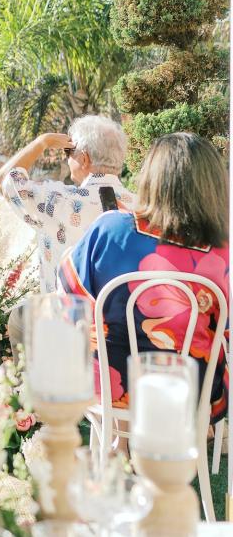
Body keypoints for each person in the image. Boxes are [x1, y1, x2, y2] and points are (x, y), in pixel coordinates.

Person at [59, 132, 229, 417]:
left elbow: (68, 293)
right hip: (193, 395)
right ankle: (178, 442)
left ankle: (118, 443)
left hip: (109, 388)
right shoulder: (223, 255)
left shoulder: (110, 230)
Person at [0, 116, 133, 291]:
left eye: (68, 152)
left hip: (69, 313)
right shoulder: (142, 205)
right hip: (126, 313)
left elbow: (2, 181)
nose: (67, 160)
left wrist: (42, 142)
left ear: (84, 159)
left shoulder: (59, 201)